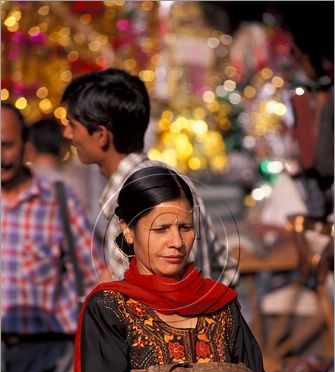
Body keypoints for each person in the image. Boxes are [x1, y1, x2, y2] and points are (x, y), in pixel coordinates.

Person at [68, 166, 290, 372]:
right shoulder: (109, 308)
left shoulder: (221, 305)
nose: (176, 242)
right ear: (128, 230)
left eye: (185, 227)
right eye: (160, 229)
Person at [1, 102, 105, 372]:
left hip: (49, 360)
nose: (0, 156)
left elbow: (96, 273)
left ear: (26, 146)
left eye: (6, 145)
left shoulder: (58, 199)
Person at [61, 68, 239, 286]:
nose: (67, 134)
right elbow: (225, 270)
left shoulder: (135, 195)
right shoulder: (165, 179)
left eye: (72, 125)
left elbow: (153, 301)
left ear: (100, 135)